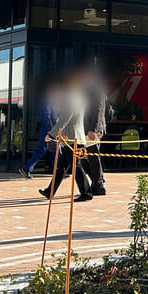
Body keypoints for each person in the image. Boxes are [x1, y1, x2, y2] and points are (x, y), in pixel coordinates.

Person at [40, 70, 92, 202]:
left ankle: (86, 193)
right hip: (74, 136)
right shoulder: (79, 96)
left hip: (71, 137)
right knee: (63, 166)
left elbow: (65, 118)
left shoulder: (71, 97)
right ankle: (50, 191)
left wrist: (52, 134)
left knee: (75, 166)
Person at [80, 64, 109, 196]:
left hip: (93, 129)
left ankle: (98, 184)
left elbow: (99, 110)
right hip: (87, 128)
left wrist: (93, 129)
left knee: (92, 156)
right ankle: (97, 181)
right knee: (85, 156)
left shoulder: (97, 89)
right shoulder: (87, 89)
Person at [20, 84, 59, 177]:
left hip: (50, 129)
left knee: (53, 150)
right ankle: (26, 168)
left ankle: (58, 171)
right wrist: (52, 131)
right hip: (47, 129)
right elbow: (46, 117)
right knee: (45, 149)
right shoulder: (47, 101)